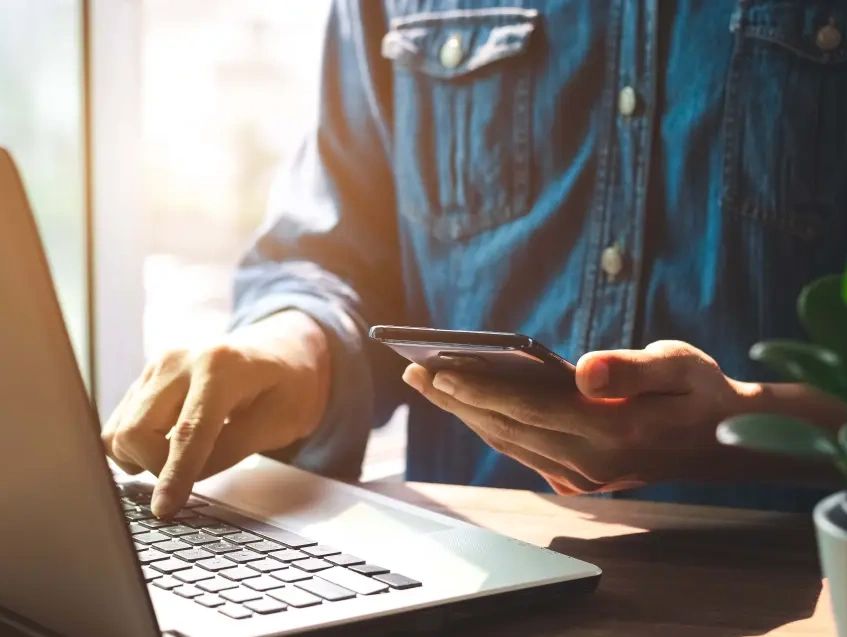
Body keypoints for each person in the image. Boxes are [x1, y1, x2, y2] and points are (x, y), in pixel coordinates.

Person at [102, 1, 847, 519]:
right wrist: (291, 351)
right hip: (465, 571)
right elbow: (340, 253)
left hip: (799, 582)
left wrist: (752, 427)